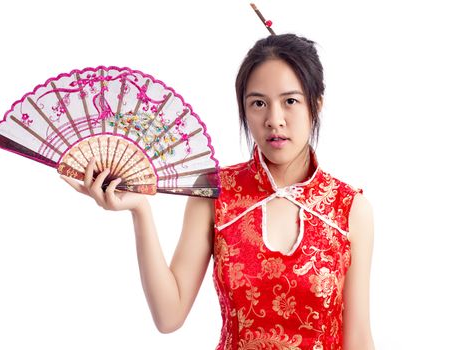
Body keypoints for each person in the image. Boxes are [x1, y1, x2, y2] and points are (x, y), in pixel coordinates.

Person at [62, 33, 375, 350]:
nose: (274, 120)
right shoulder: (216, 193)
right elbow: (169, 316)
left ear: (316, 104)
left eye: (290, 101)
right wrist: (140, 210)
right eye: (258, 103)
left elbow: (359, 337)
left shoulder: (349, 208)